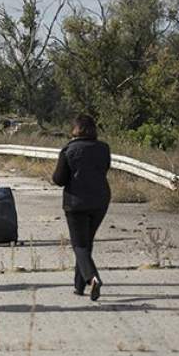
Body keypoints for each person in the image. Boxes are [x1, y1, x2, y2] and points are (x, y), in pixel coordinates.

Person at [52, 114, 111, 301]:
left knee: (79, 245)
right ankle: (79, 287)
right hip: (100, 201)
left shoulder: (68, 150)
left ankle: (92, 278)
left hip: (76, 202)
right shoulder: (104, 148)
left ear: (75, 129)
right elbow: (105, 169)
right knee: (87, 243)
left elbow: (59, 179)